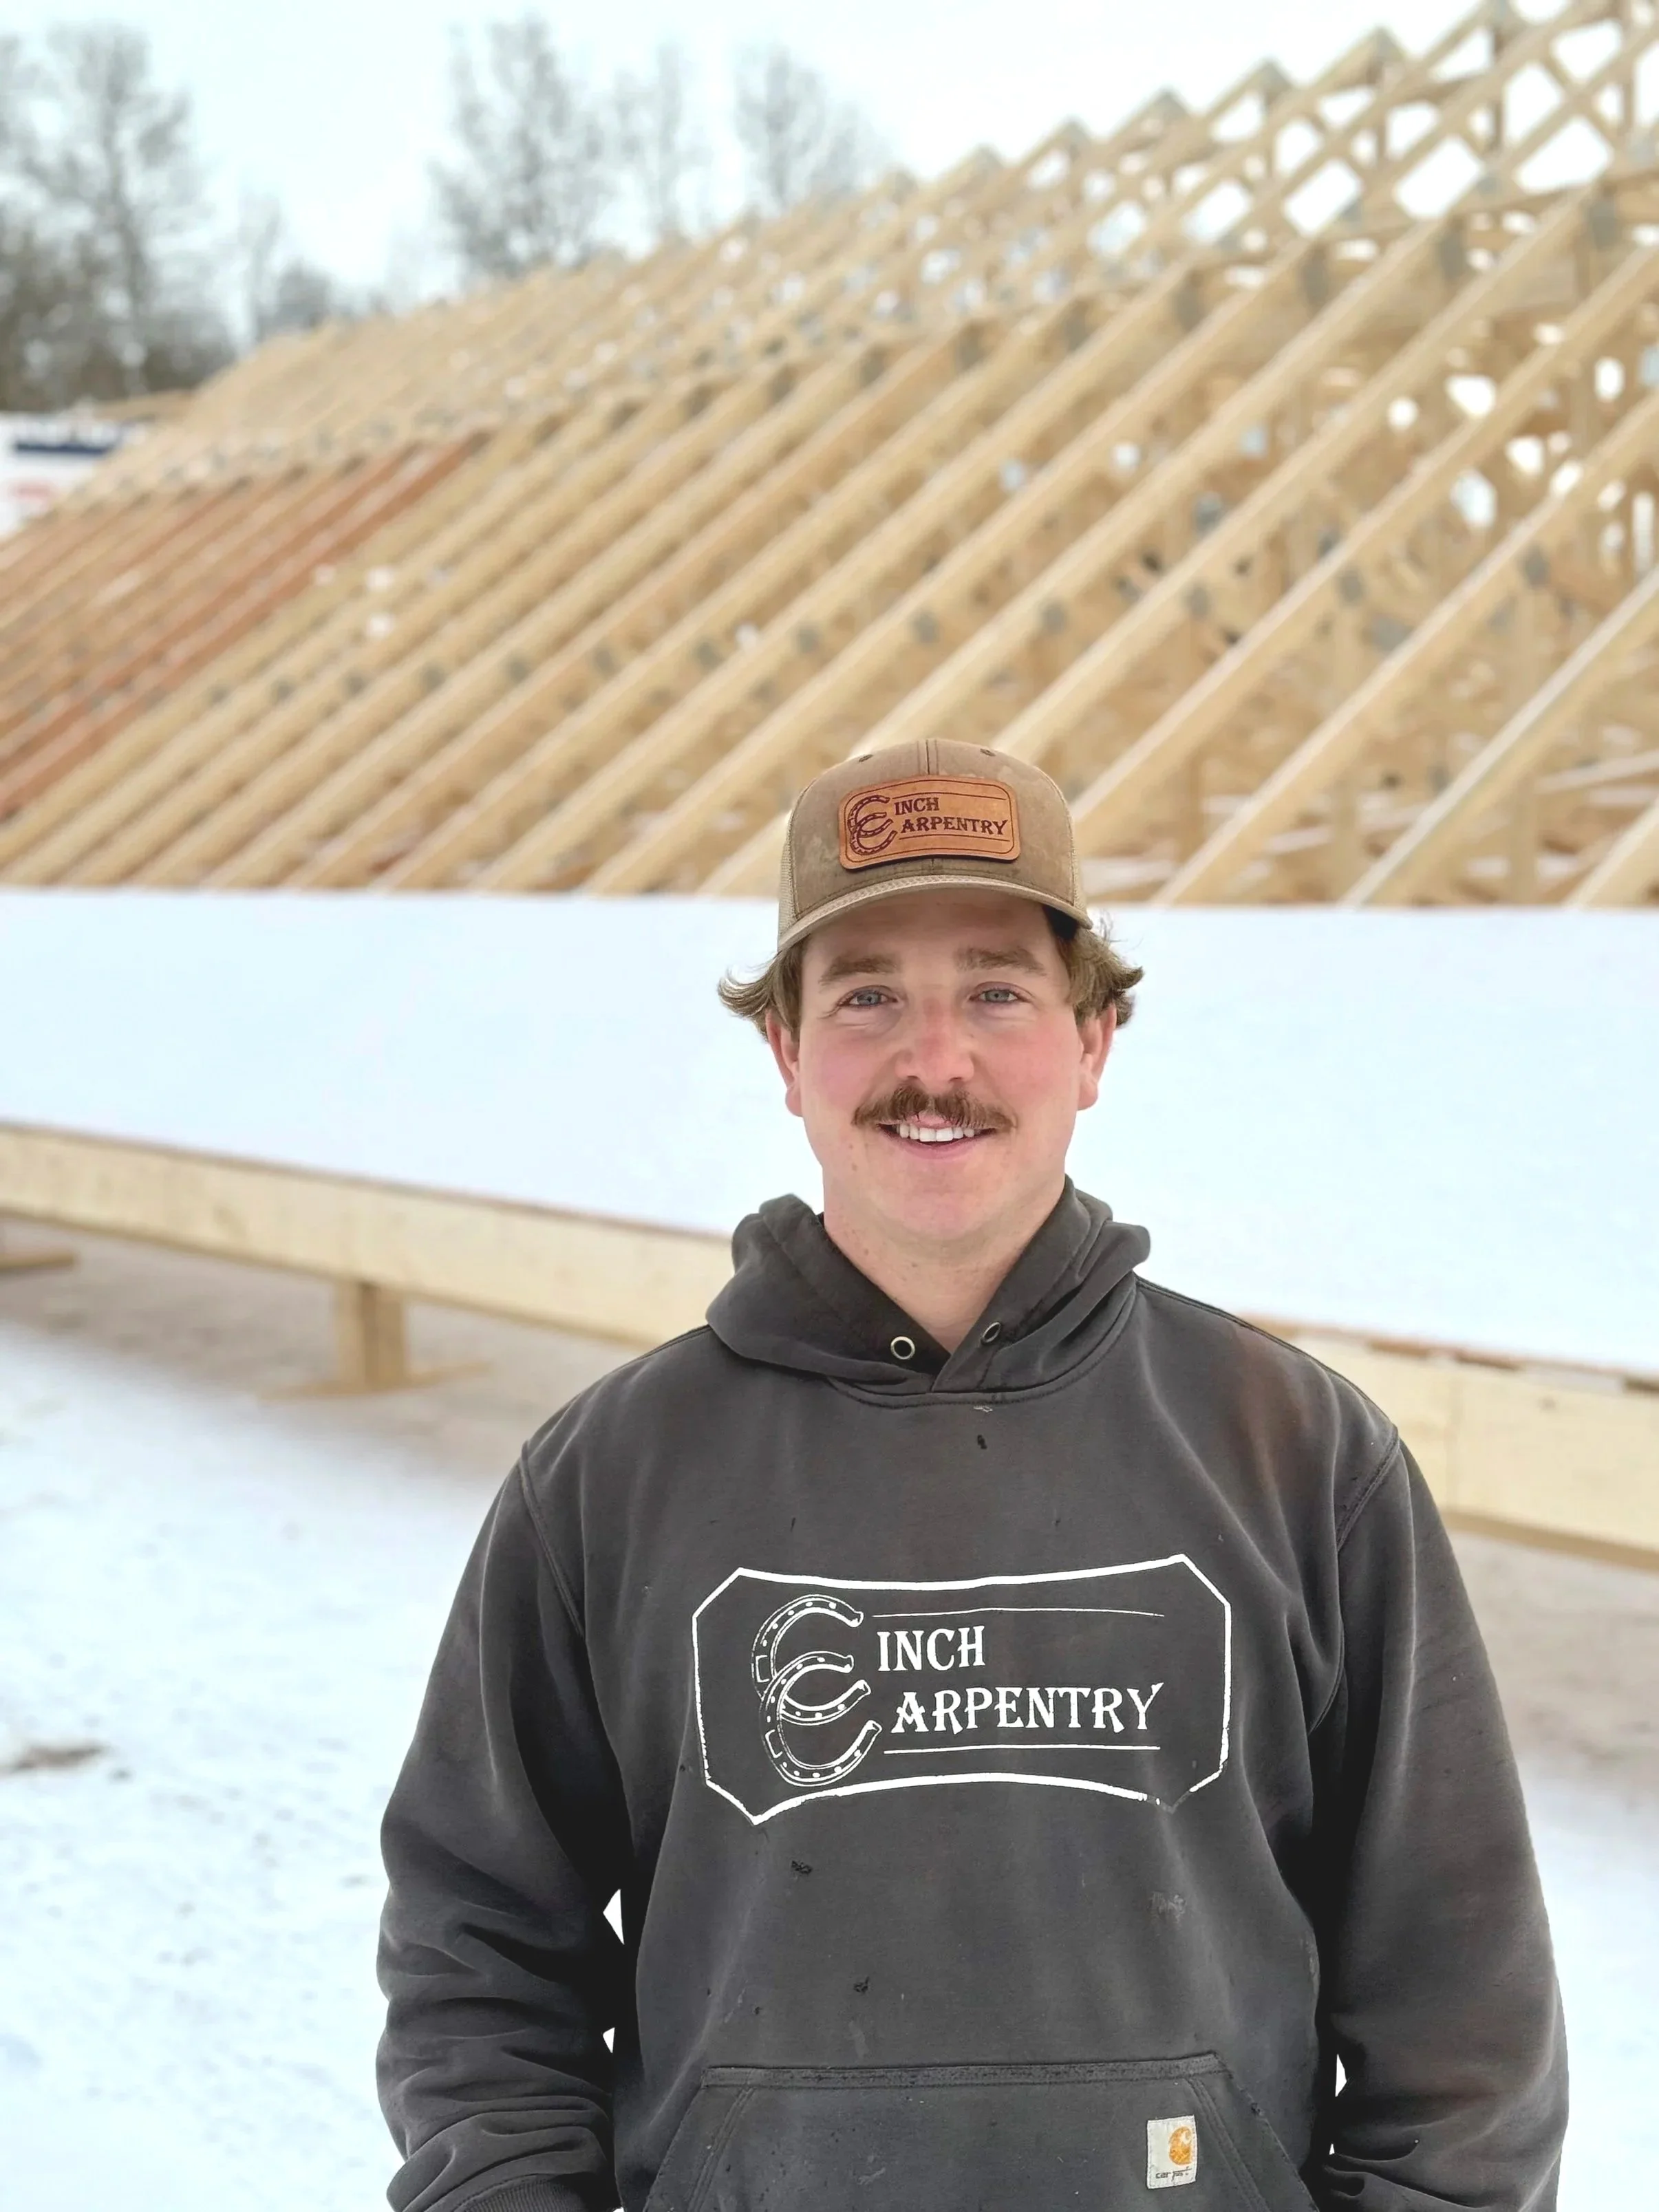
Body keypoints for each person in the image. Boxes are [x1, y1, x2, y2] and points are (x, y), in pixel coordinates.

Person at [377, 739, 1566, 2211]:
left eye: (995, 990)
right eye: (866, 992)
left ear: (1092, 1043)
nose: (932, 1058)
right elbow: (476, 1944)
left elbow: (1456, 1986)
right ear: (785, 1055)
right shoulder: (610, 1474)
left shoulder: (1293, 1451)